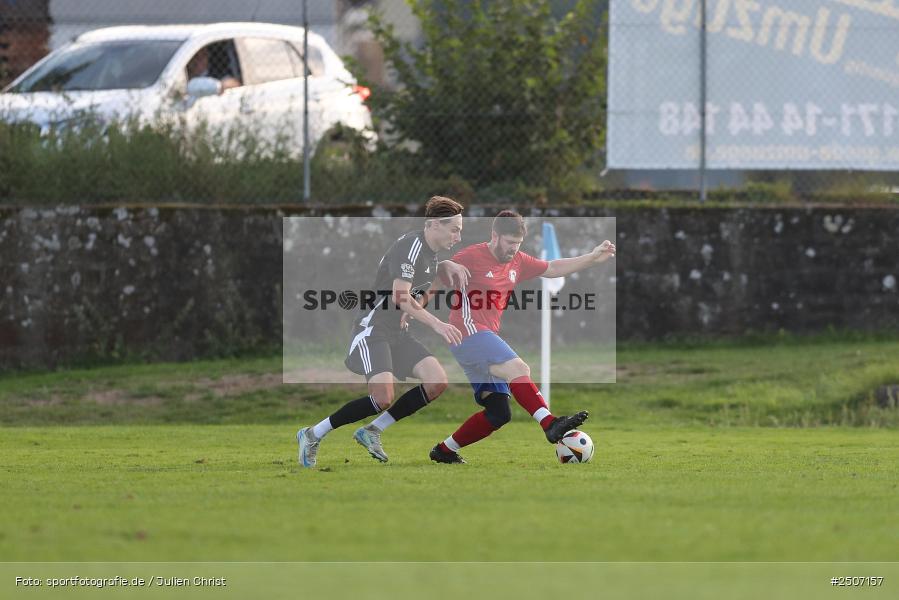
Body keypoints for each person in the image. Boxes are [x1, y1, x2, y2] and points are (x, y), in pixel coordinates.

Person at [428, 210, 616, 464]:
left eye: (518, 244)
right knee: (519, 367)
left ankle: (444, 451)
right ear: (494, 236)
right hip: (467, 331)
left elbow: (551, 268)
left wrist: (592, 258)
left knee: (498, 413)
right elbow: (437, 280)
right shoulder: (471, 256)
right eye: (509, 243)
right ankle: (550, 424)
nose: (513, 249)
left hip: (481, 338)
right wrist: (412, 309)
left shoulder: (517, 260)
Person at [296, 196, 469, 468]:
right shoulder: (411, 246)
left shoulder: (431, 256)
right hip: (373, 327)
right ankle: (312, 434)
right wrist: (438, 324)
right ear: (434, 225)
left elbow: (416, 301)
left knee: (436, 380)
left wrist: (440, 275)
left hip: (397, 333)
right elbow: (401, 297)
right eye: (454, 229)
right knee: (382, 398)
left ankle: (372, 431)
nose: (458, 236)